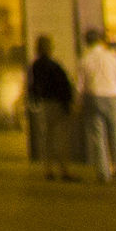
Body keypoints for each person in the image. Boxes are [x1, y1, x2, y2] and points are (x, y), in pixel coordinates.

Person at [76, 28, 116, 184]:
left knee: (98, 137)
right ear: (101, 41)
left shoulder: (84, 59)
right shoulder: (112, 58)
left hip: (93, 99)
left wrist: (80, 103)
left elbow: (79, 86)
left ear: (86, 42)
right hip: (112, 99)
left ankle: (103, 173)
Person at [29, 36, 78, 181]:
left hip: (44, 105)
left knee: (47, 139)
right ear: (49, 48)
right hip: (57, 105)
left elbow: (33, 86)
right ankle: (64, 170)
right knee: (61, 139)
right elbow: (64, 87)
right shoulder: (55, 66)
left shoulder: (35, 65)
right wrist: (69, 104)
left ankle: (48, 170)